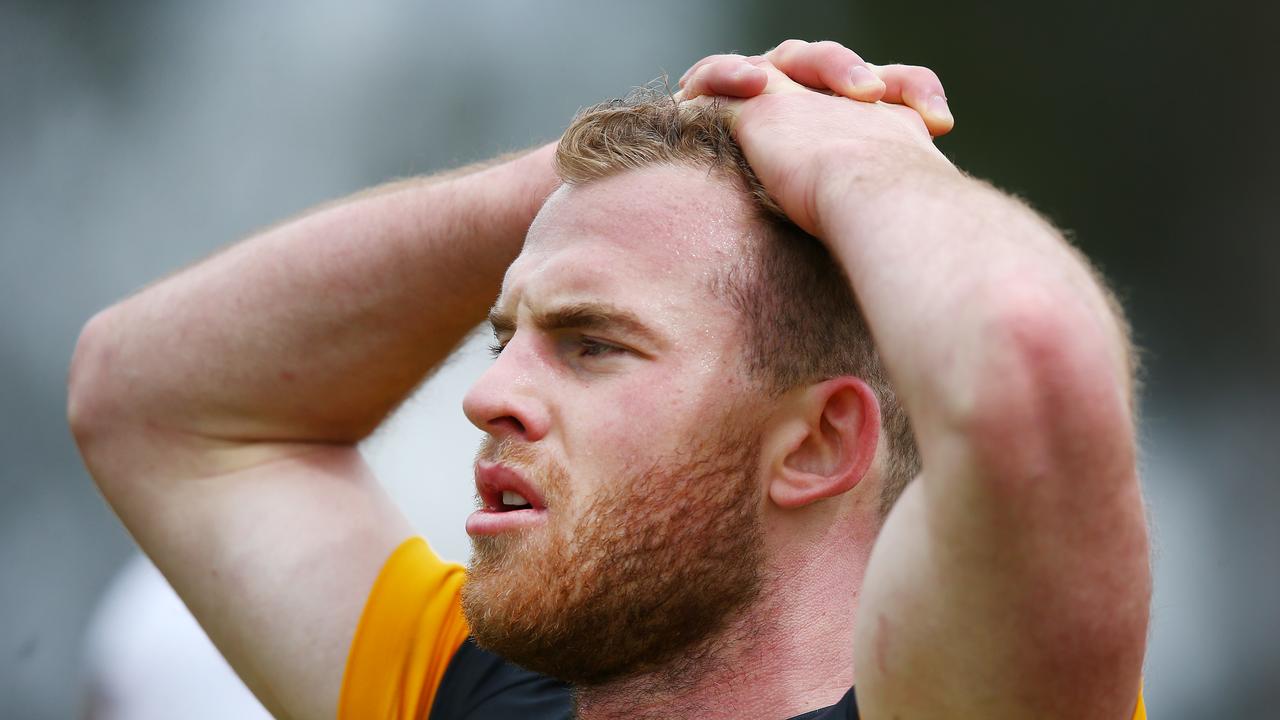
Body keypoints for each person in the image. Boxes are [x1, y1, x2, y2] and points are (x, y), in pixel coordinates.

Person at [68, 40, 1150, 719]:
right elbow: (144, 398)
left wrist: (857, 159)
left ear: (818, 444)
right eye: (505, 339)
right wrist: (648, 160)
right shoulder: (470, 695)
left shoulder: (972, 696)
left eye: (590, 343)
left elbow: (1029, 373)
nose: (487, 398)